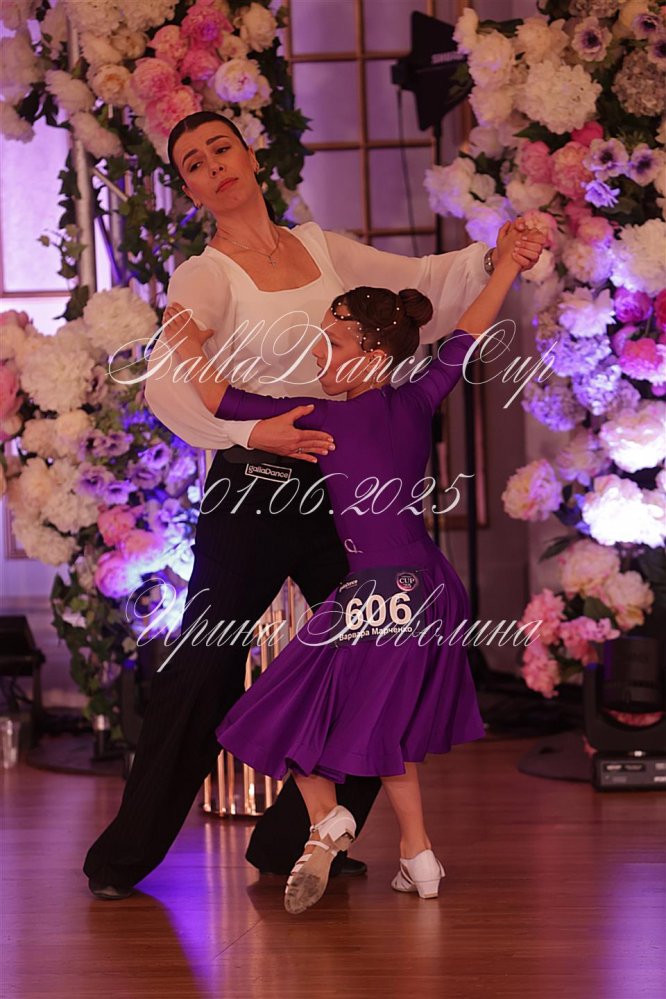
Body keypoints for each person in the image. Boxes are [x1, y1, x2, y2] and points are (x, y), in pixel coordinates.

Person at [83, 110, 545, 900]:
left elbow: (421, 284)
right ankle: (122, 858)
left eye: (221, 147)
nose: (213, 165)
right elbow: (176, 368)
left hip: (344, 487)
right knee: (204, 665)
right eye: (193, 162)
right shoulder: (203, 275)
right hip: (254, 487)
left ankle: (297, 841)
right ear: (190, 189)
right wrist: (254, 429)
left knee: (383, 656)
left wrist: (495, 257)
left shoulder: (324, 248)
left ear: (250, 154)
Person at [161, 216, 537, 914]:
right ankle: (416, 855)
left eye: (332, 342)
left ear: (371, 353)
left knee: (273, 709)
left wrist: (184, 341)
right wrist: (508, 267)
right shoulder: (418, 396)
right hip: (426, 585)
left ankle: (330, 819)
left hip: (377, 594)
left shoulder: (324, 418)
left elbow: (217, 399)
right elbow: (468, 333)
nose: (319, 352)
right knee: (377, 723)